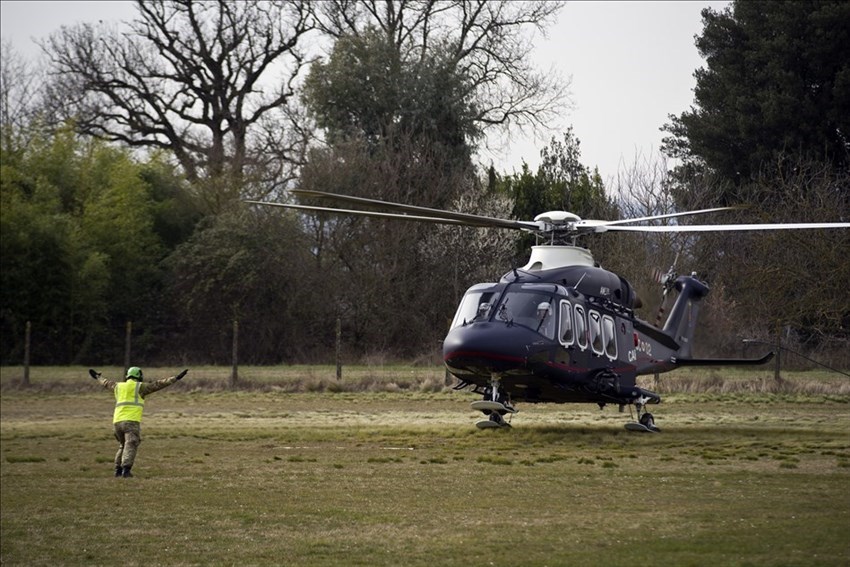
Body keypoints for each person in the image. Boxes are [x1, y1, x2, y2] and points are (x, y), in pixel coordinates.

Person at [88, 366, 188, 478]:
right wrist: (176, 378)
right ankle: (126, 470)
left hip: (116, 422)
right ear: (138, 375)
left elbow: (105, 383)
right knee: (131, 444)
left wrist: (97, 377)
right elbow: (158, 384)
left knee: (122, 445)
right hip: (131, 421)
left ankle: (117, 470)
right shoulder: (140, 387)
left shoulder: (118, 386)